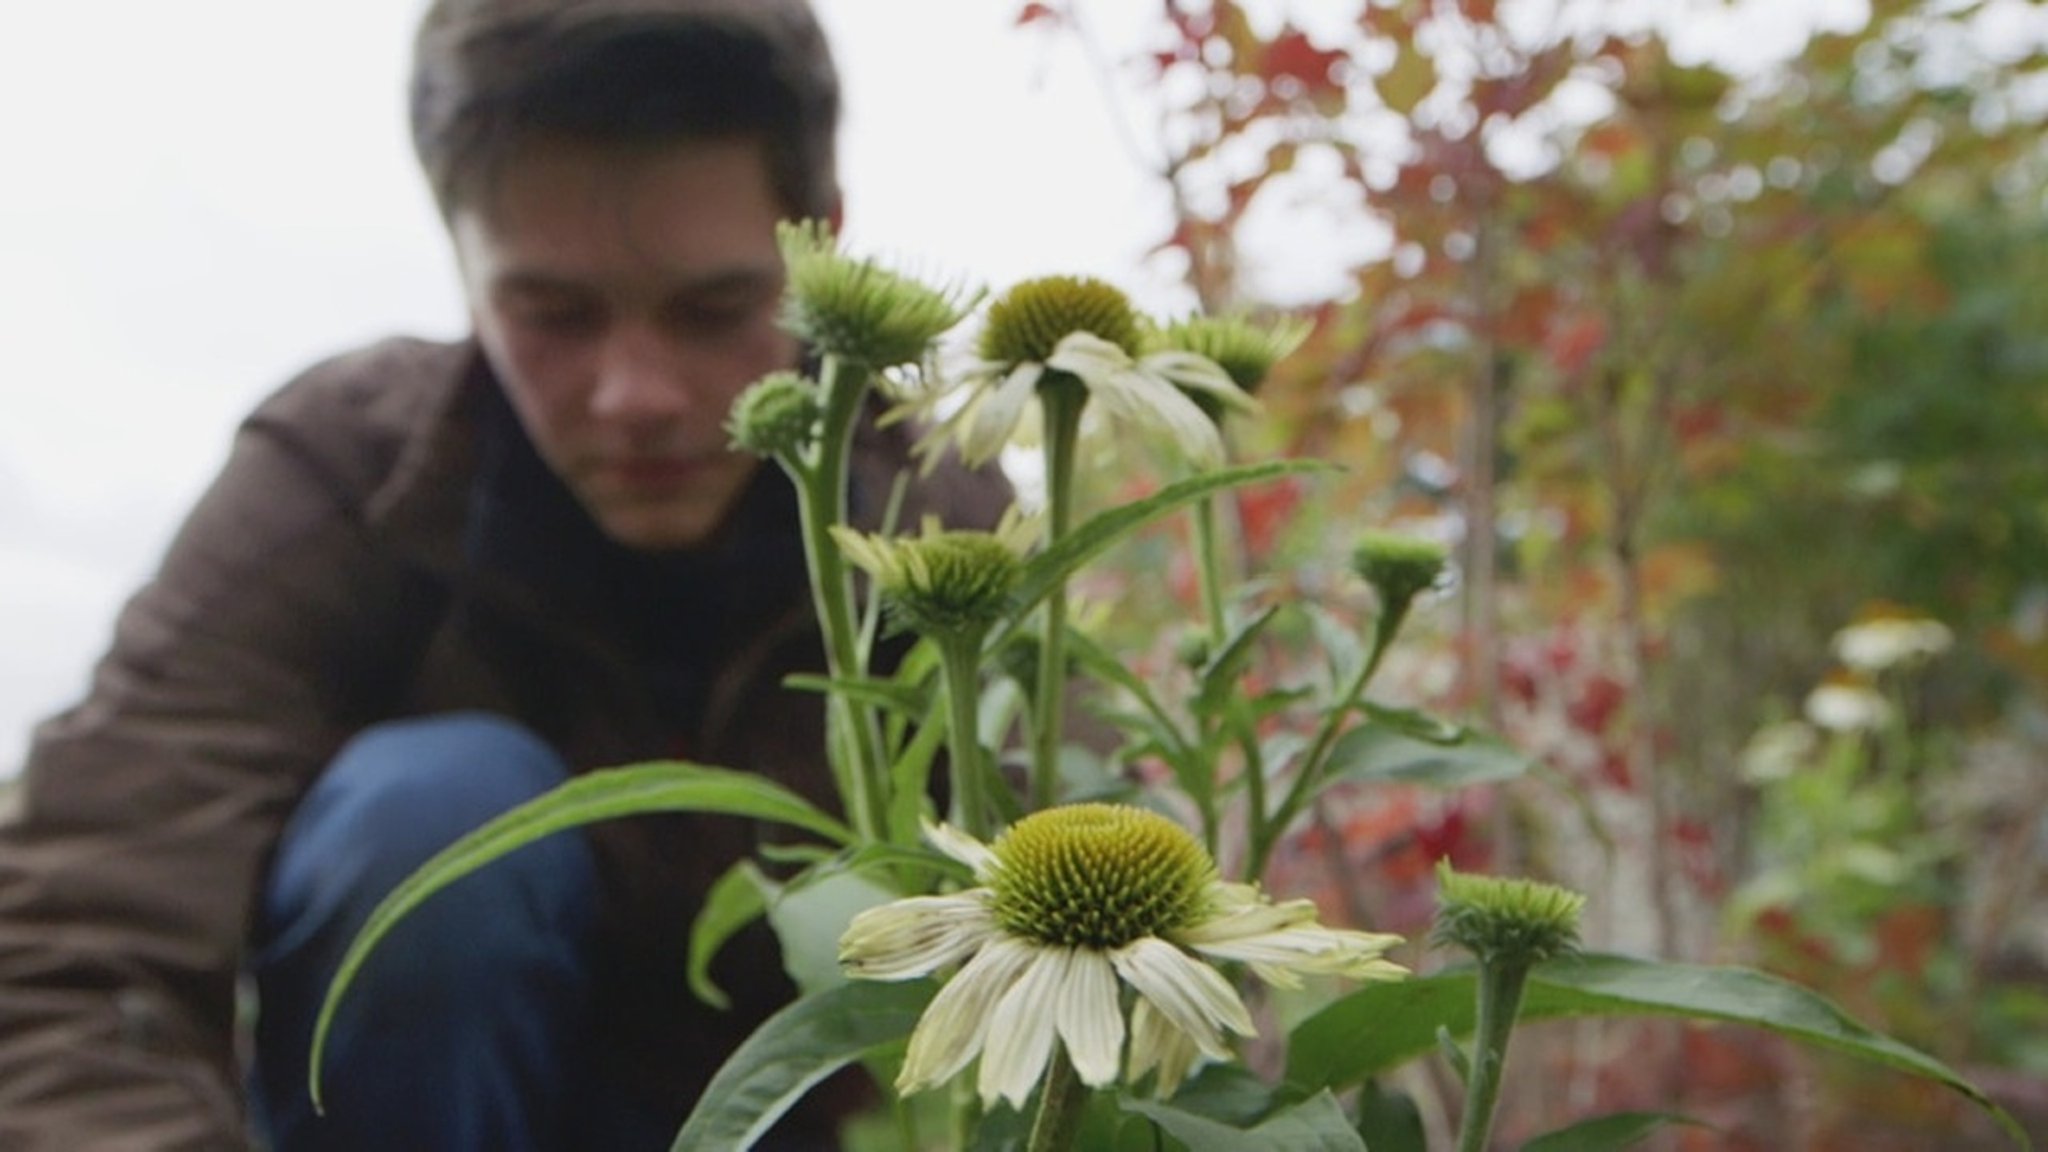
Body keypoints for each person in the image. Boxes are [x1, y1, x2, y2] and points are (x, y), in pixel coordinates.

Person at [0, 1, 1003, 1148]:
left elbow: (1102, 928)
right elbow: (78, 934)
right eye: (554, 313)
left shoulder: (945, 516)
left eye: (712, 309)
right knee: (431, 809)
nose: (637, 394)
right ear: (462, 258)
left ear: (821, 237)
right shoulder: (342, 478)